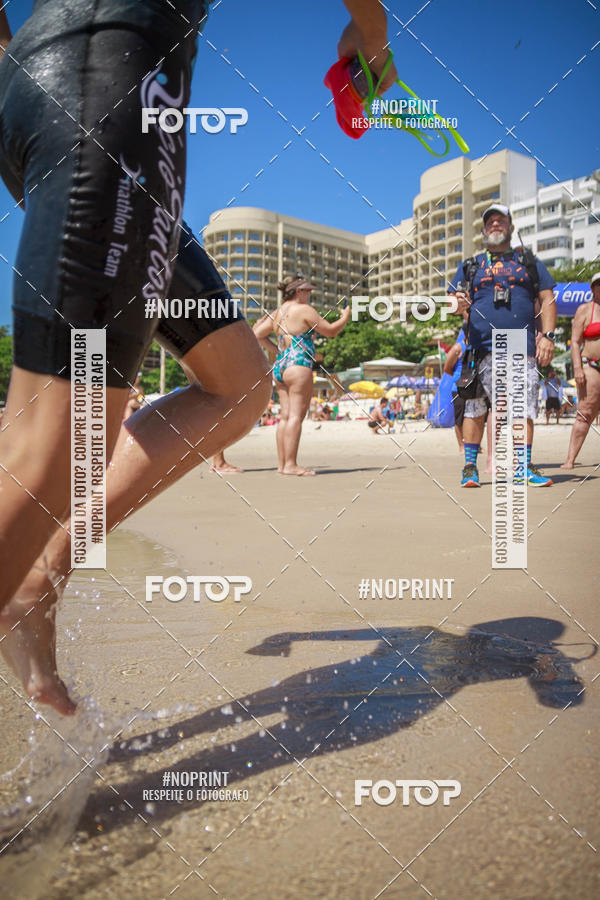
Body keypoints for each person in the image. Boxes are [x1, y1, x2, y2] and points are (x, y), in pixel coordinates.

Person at [0, 0, 398, 713]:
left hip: (77, 105)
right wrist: (372, 43)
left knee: (239, 386)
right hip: (109, 105)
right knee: (58, 453)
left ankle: (40, 576)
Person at [450, 204, 556, 488]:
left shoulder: (528, 261)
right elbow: (451, 302)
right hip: (480, 347)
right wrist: (457, 304)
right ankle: (470, 468)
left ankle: (522, 468)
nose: (495, 224)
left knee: (522, 407)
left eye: (501, 220)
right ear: (484, 230)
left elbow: (547, 299)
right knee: (474, 408)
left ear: (510, 227)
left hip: (520, 346)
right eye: (490, 222)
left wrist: (548, 336)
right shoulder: (471, 265)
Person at [253, 277, 350, 475]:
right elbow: (331, 331)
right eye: (307, 291)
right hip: (298, 364)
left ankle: (282, 465)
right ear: (298, 291)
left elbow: (257, 334)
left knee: (285, 417)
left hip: (280, 365)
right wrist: (345, 317)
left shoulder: (277, 313)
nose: (309, 295)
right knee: (296, 416)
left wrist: (277, 350)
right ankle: (291, 464)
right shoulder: (304, 310)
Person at [561, 272, 600, 468]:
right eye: (598, 284)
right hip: (591, 365)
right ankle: (570, 459)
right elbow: (575, 342)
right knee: (584, 413)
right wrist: (577, 368)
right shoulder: (585, 310)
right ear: (593, 288)